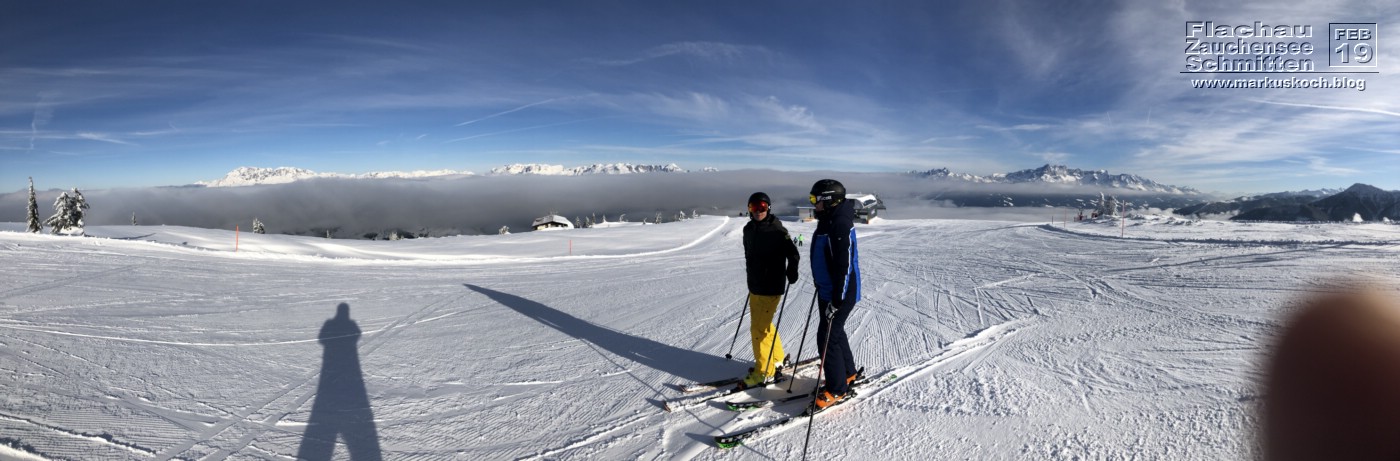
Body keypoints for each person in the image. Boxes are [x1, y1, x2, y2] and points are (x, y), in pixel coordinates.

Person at [808, 179, 862, 410]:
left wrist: (837, 300)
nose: (813, 204)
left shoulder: (838, 223)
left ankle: (837, 388)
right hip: (829, 290)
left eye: (815, 199)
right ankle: (847, 373)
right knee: (835, 333)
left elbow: (844, 266)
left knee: (827, 338)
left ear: (828, 200)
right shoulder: (829, 220)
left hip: (839, 293)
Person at [741, 192, 801, 387]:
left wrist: (792, 269)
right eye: (754, 207)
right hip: (755, 286)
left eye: (762, 207)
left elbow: (793, 253)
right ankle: (776, 358)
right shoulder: (748, 229)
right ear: (749, 209)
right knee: (764, 326)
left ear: (768, 208)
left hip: (770, 287)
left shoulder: (777, 230)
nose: (758, 211)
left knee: (758, 329)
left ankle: (764, 371)